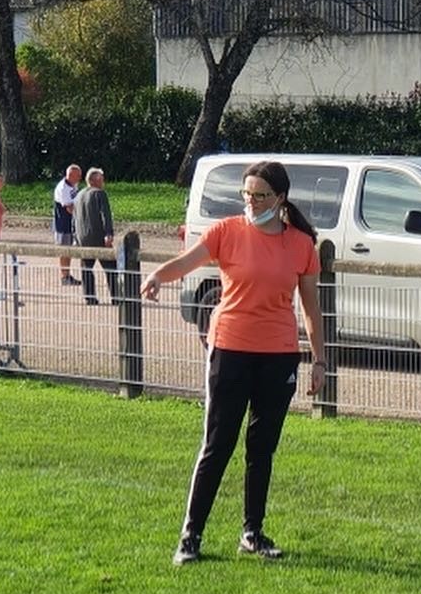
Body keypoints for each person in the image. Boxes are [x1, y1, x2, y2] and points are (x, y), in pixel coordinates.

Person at [141, 159, 326, 566]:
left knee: (261, 449)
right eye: (246, 194)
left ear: (280, 199)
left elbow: (311, 308)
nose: (251, 202)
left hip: (278, 355)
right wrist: (157, 275)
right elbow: (187, 262)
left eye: (260, 195)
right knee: (218, 444)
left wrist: (319, 360)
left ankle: (252, 532)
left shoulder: (301, 245)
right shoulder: (226, 231)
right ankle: (191, 536)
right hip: (230, 349)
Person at [74, 167, 115, 304]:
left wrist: (76, 237)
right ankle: (116, 297)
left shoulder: (79, 195)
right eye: (101, 179)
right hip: (98, 236)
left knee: (86, 268)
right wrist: (108, 233)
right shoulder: (100, 194)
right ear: (93, 180)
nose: (103, 182)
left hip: (83, 238)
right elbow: (106, 215)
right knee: (111, 268)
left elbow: (74, 219)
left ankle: (89, 297)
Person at [53, 164, 82, 285]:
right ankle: (64, 276)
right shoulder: (63, 188)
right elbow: (69, 208)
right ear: (71, 175)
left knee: (68, 250)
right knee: (64, 250)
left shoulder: (73, 184)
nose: (80, 178)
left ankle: (67, 274)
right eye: (78, 175)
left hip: (70, 223)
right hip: (63, 224)